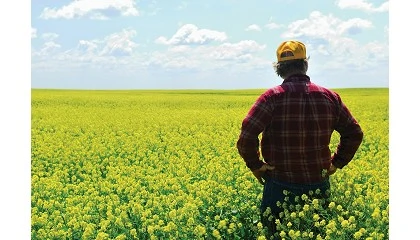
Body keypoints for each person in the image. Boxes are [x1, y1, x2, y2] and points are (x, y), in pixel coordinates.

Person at [236, 40, 364, 238]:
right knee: (316, 234)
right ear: (305, 64)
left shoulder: (270, 98)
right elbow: (354, 133)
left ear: (279, 68)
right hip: (317, 183)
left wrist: (256, 165)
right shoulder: (330, 97)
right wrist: (337, 163)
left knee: (275, 234)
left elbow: (247, 136)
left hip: (279, 183)